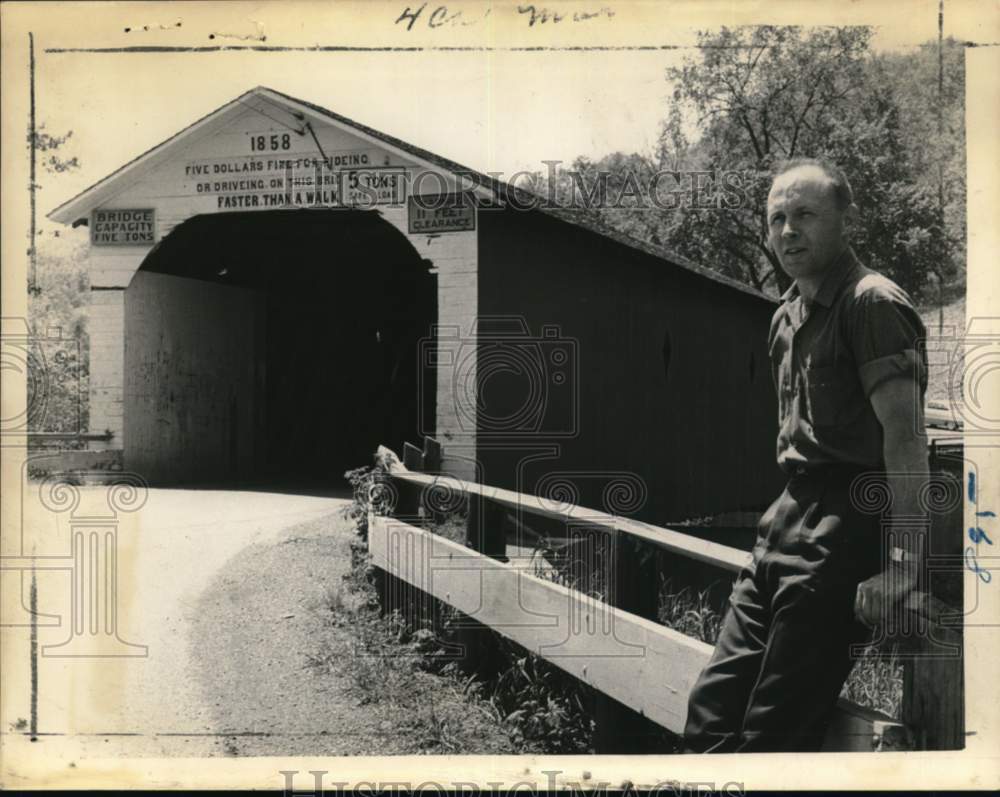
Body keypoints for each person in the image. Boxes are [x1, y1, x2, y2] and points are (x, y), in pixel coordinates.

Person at [683, 158, 929, 753]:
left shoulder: (871, 304)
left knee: (772, 734)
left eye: (805, 215)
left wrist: (903, 564)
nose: (787, 231)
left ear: (844, 220)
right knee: (709, 716)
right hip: (783, 522)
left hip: (844, 527)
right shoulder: (784, 318)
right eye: (777, 219)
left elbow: (906, 440)